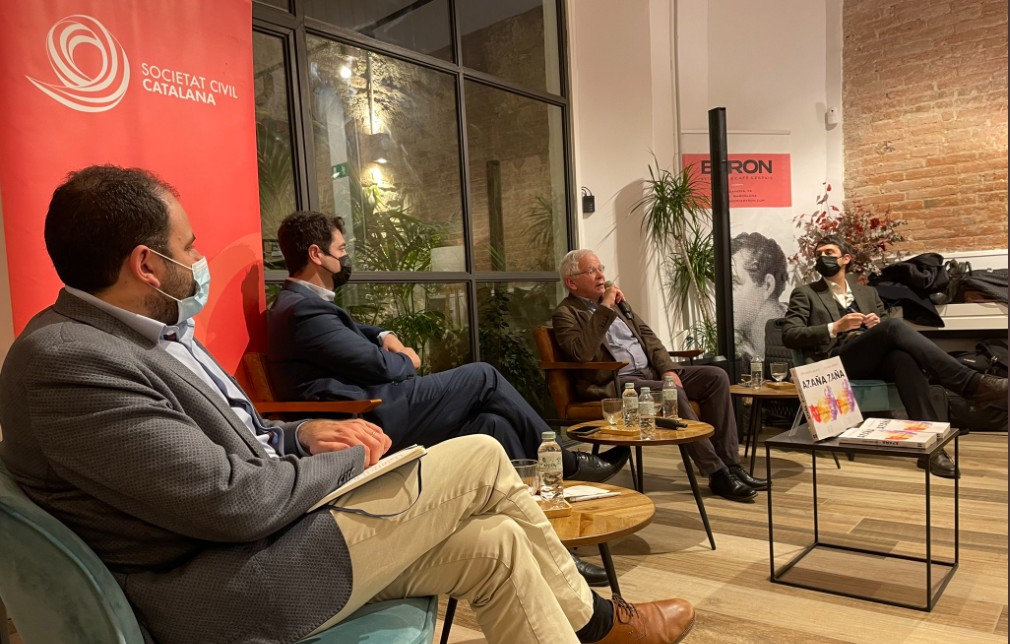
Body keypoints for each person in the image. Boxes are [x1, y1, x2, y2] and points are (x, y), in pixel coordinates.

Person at [0, 165, 696, 644]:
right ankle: (604, 625)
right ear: (148, 264)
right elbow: (228, 500)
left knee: (498, 544)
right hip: (228, 583)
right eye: (190, 247)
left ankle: (600, 625)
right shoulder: (69, 362)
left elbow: (238, 438)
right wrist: (349, 463)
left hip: (267, 535)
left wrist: (302, 437)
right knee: (483, 454)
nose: (199, 260)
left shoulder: (145, 334)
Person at [267, 211, 629, 484]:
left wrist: (384, 334)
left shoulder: (307, 306)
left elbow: (356, 333)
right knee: (483, 375)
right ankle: (566, 462)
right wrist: (405, 357)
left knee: (492, 424)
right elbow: (379, 366)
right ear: (316, 254)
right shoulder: (303, 311)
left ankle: (539, 505)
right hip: (371, 414)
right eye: (341, 250)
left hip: (380, 403)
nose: (346, 258)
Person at [781, 234, 1008, 479]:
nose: (822, 257)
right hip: (836, 362)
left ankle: (933, 450)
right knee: (893, 327)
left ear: (845, 259)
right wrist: (835, 327)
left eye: (828, 253)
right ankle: (970, 383)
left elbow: (885, 331)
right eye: (818, 254)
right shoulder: (805, 293)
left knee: (904, 359)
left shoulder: (867, 293)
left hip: (870, 359)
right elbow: (790, 334)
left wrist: (876, 325)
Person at [552, 249, 768, 503]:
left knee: (716, 377)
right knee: (669, 392)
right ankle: (717, 472)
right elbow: (582, 353)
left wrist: (667, 369)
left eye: (601, 268)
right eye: (592, 271)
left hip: (650, 374)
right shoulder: (566, 314)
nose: (601, 275)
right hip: (617, 382)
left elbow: (649, 338)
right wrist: (605, 308)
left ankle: (731, 464)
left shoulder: (619, 305)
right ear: (572, 282)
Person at [730, 232, 789, 360]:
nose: (727, 297)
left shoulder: (797, 330)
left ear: (767, 285)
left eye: (735, 282)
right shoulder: (740, 348)